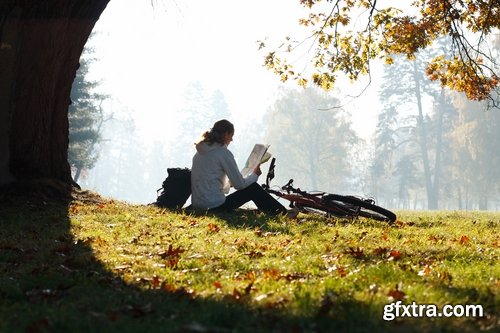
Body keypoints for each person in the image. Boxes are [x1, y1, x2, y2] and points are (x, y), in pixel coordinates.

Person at [190, 119, 288, 216]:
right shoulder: (223, 153)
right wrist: (255, 175)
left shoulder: (199, 153)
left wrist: (230, 183)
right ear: (225, 134)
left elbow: (211, 181)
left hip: (198, 205)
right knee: (253, 189)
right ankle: (283, 214)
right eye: (231, 136)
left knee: (248, 187)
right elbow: (240, 185)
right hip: (214, 207)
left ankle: (278, 212)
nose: (231, 140)